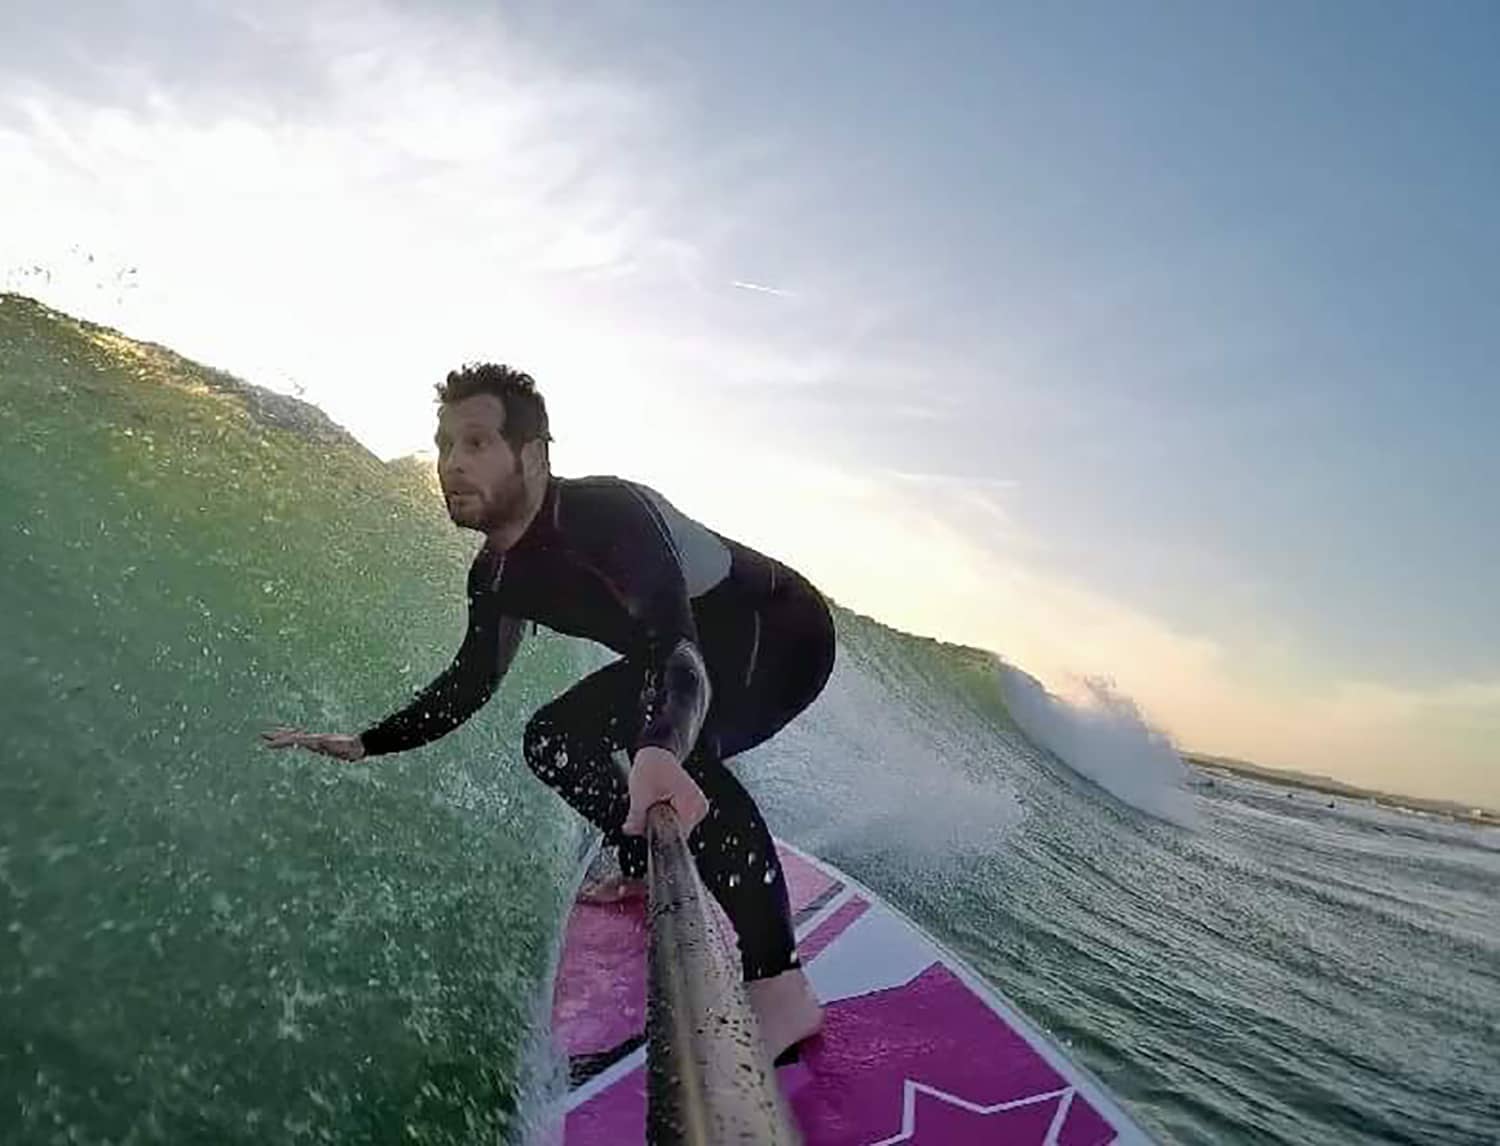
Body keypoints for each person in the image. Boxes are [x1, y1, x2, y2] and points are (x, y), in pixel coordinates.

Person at [262, 363, 836, 1061]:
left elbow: (676, 651)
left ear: (531, 455)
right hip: (689, 654)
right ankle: (636, 855)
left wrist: (659, 748)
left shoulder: (608, 517)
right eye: (445, 445)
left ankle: (781, 988)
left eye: (476, 443)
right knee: (554, 739)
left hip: (778, 634)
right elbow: (470, 684)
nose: (451, 464)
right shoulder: (498, 575)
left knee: (684, 749)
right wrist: (367, 742)